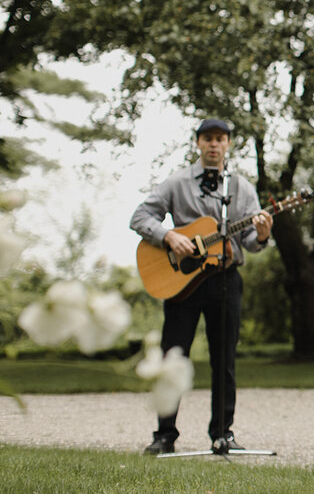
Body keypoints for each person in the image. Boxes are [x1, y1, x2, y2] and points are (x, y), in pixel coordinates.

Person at [130, 118, 273, 455]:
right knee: (172, 355)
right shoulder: (177, 183)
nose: (213, 144)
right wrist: (169, 236)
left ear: (227, 145)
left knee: (224, 359)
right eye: (208, 138)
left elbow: (251, 242)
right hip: (183, 284)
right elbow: (140, 217)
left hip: (225, 279)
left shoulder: (242, 188)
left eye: (220, 139)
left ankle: (222, 434)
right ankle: (164, 436)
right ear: (198, 143)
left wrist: (263, 234)